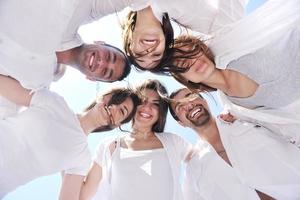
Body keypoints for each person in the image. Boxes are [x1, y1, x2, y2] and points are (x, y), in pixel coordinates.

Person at [0, 0, 150, 119]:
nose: (102, 62)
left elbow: (5, 110)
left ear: (91, 78)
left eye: (105, 72)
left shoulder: (37, 85)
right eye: (109, 56)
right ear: (100, 43)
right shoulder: (81, 9)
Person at [0, 74, 140, 199]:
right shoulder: (54, 102)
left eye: (122, 111)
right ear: (104, 97)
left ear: (117, 124)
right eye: (115, 100)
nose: (114, 108)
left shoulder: (81, 157)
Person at [169, 87, 300, 200]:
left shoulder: (243, 118)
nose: (189, 105)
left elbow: (291, 126)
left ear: (204, 100)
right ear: (181, 123)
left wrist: (241, 114)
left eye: (191, 96)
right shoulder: (193, 168)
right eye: (180, 107)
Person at [79, 79, 192, 200]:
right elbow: (82, 195)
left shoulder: (173, 141)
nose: (147, 107)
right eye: (142, 101)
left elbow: (204, 159)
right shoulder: (109, 146)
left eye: (156, 104)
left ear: (161, 112)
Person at [122, 0, 250, 70]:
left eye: (140, 54)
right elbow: (231, 22)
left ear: (129, 42)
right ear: (165, 42)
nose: (149, 51)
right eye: (156, 55)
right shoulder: (189, 16)